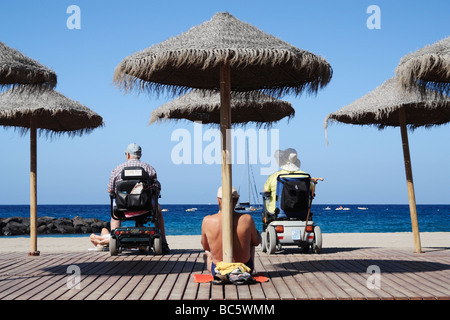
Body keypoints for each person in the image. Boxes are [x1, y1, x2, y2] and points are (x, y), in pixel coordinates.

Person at [107, 143, 169, 253]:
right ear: (140, 155)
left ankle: (114, 237)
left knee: (114, 213)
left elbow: (110, 190)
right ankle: (163, 242)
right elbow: (157, 188)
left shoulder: (117, 170)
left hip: (123, 208)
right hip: (147, 207)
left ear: (128, 155)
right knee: (158, 211)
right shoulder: (149, 169)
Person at [201, 186, 261, 276]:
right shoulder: (247, 219)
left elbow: (205, 246)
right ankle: (245, 271)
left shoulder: (207, 220)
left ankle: (212, 263)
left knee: (207, 254)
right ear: (236, 200)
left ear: (218, 200)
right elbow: (256, 242)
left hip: (219, 268)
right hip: (243, 268)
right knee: (252, 242)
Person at [263, 148, 321, 214]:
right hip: (301, 212)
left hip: (278, 212)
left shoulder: (275, 176)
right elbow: (312, 191)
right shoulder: (305, 177)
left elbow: (265, 191)